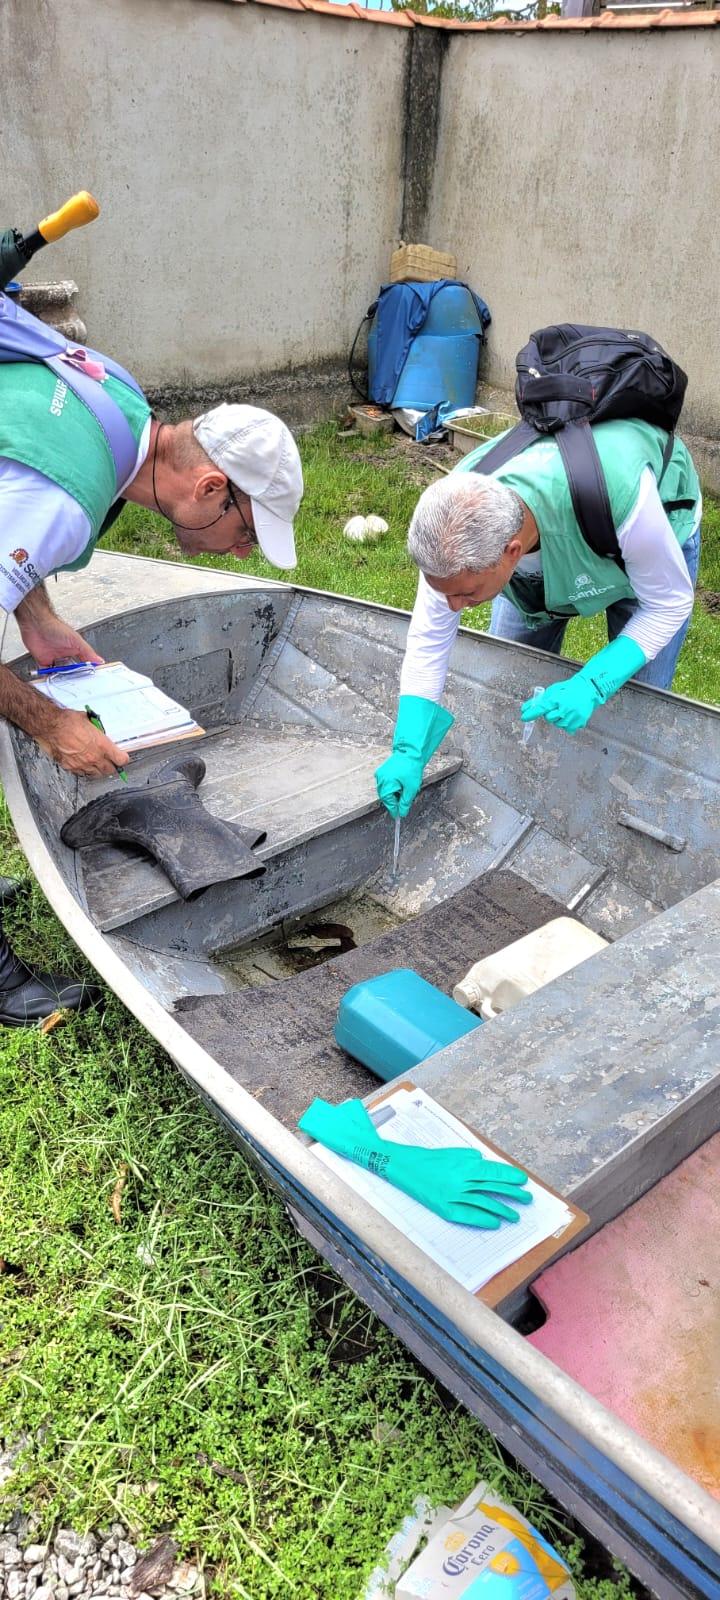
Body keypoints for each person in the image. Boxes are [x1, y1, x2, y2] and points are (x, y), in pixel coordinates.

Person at [0, 374, 303, 1024]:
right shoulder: (69, 501)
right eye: (247, 533)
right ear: (210, 488)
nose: (244, 552)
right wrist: (51, 722)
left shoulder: (121, 411)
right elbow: (35, 505)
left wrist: (38, 616)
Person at [375, 418, 701, 818]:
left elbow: (667, 604)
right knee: (510, 681)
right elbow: (429, 637)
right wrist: (408, 750)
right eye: (448, 593)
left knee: (634, 708)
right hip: (554, 547)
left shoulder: (622, 499)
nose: (455, 607)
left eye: (467, 594)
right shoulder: (450, 528)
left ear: (512, 553)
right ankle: (523, 807)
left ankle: (617, 816)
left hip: (636, 547)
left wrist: (595, 682)